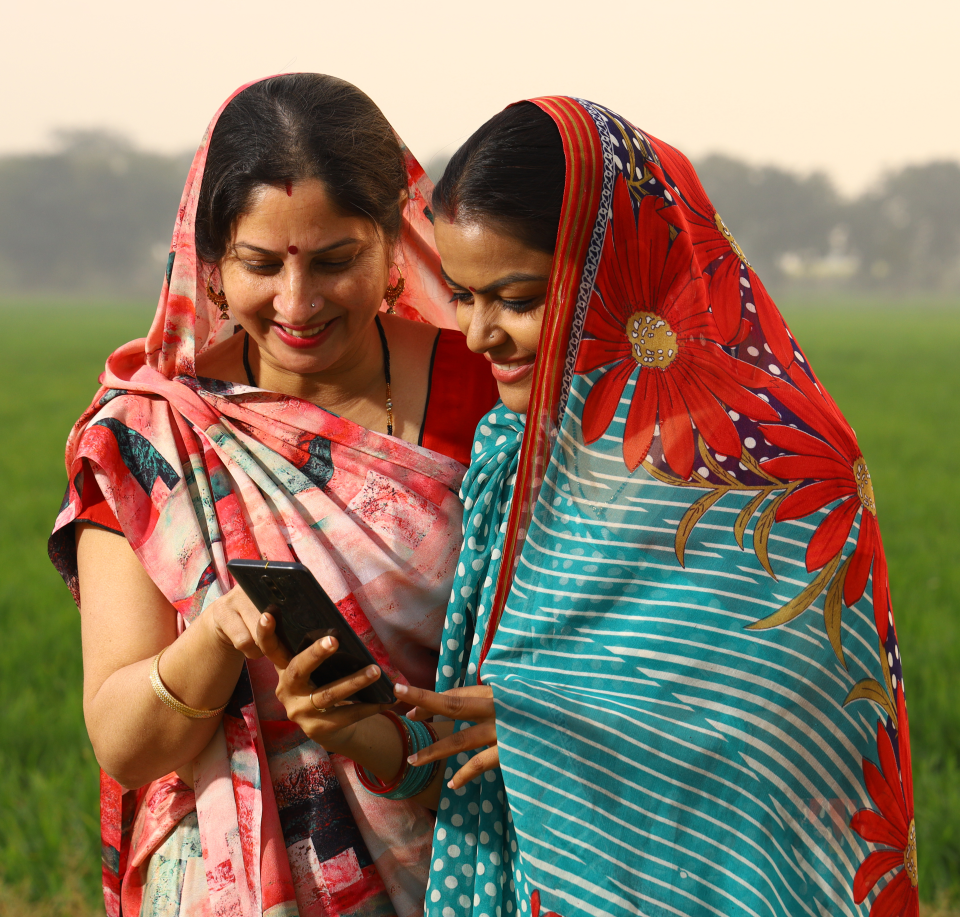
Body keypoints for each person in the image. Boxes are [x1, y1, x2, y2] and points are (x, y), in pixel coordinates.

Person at [397, 100, 918, 917]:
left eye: (519, 299)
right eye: (463, 296)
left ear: (612, 269)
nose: (477, 334)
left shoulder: (774, 457)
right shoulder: (513, 447)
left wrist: (553, 726)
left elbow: (796, 718)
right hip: (539, 870)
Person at [48, 73, 498, 917]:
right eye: (260, 264)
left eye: (336, 261)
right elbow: (123, 741)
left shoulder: (488, 392)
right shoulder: (153, 435)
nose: (298, 304)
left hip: (463, 862)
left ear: (395, 242)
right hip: (238, 884)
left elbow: (569, 661)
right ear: (210, 264)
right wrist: (216, 636)